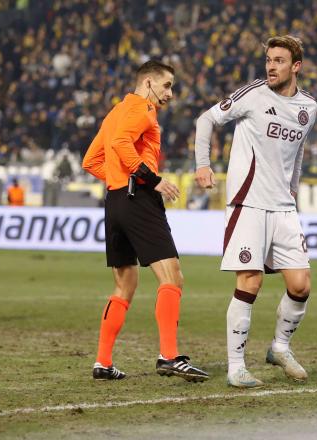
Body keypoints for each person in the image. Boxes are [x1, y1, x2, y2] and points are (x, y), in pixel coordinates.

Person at [194, 35, 317, 388]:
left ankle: (279, 347)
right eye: (268, 59)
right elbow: (207, 120)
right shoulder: (253, 94)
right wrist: (203, 164)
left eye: (279, 60)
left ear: (296, 66)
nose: (270, 66)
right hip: (248, 202)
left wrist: (293, 189)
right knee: (250, 280)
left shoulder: (309, 107)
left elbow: (299, 152)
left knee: (301, 284)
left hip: (283, 207)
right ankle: (236, 367)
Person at [82, 60, 209, 382]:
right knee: (172, 277)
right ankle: (169, 356)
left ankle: (103, 362)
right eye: (167, 86)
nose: (170, 93)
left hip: (115, 201)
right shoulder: (142, 111)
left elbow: (91, 160)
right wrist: (148, 179)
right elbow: (121, 144)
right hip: (138, 198)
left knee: (125, 285)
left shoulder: (115, 112)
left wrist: (118, 179)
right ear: (149, 82)